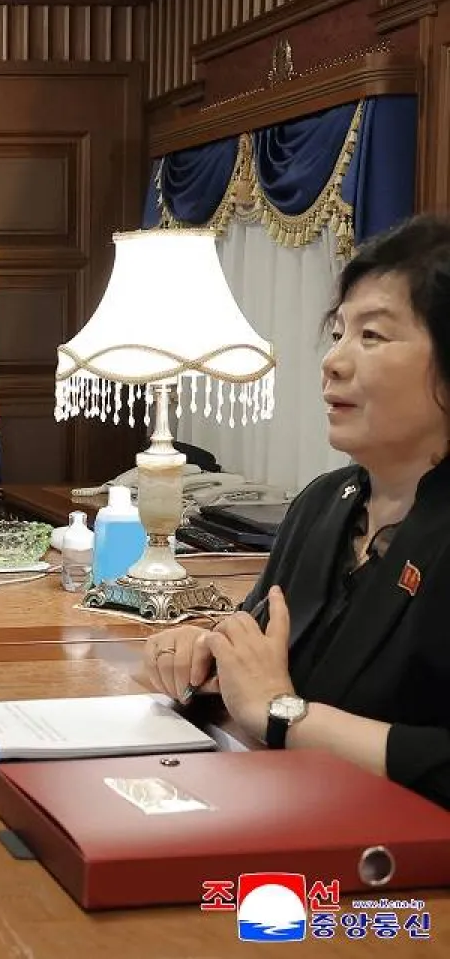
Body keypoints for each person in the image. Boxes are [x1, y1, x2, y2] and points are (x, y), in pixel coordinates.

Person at [143, 213, 450, 808]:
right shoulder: (325, 503)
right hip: (278, 808)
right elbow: (260, 652)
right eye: (338, 333)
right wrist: (203, 653)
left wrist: (285, 714)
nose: (333, 361)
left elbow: (276, 704)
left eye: (373, 336)